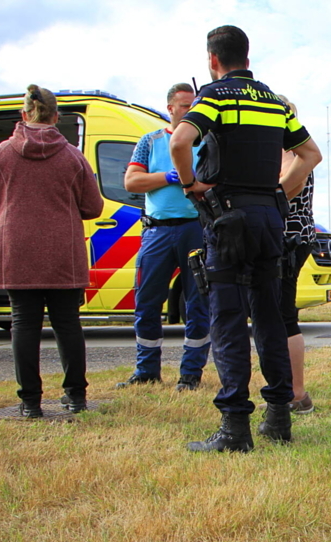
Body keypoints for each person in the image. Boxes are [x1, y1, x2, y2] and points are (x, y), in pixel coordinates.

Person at [171, 25, 322, 452]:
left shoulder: (214, 97)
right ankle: (278, 420)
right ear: (247, 58)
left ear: (212, 61)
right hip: (269, 219)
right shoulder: (275, 102)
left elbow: (181, 141)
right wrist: (279, 194)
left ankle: (235, 428)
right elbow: (311, 155)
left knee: (229, 319)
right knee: (271, 317)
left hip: (228, 218)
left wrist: (191, 186)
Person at [0, 85, 104, 418]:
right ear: (57, 117)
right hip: (62, 249)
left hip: (16, 249)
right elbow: (93, 207)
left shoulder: (1, 154)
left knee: (24, 325)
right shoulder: (73, 157)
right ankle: (76, 396)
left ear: (24, 114)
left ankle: (30, 402)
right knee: (67, 324)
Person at [116, 83, 211, 392]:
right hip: (157, 230)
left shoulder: (208, 142)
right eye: (185, 106)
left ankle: (190, 374)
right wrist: (168, 177)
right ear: (170, 108)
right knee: (146, 300)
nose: (190, 111)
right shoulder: (150, 141)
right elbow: (132, 181)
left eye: (194, 106)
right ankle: (146, 370)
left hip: (195, 228)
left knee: (198, 302)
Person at [276, 95, 318, 415]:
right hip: (281, 239)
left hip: (289, 240)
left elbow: (285, 188)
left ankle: (297, 393)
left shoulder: (293, 153)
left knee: (284, 314)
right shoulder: (282, 152)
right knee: (277, 313)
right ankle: (288, 389)